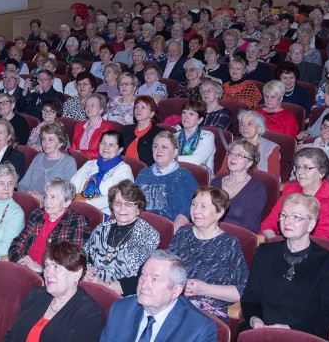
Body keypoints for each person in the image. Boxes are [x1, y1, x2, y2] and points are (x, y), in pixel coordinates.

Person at [240, 193, 329, 338]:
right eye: (283, 215)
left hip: (304, 333)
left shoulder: (325, 261)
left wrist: (289, 330)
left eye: (296, 217)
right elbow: (250, 297)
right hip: (262, 329)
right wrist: (255, 319)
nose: (287, 222)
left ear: (311, 224)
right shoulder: (265, 252)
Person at [98, 250, 217, 342]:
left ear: (175, 291)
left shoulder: (199, 329)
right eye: (143, 275)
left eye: (154, 279)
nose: (144, 285)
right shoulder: (121, 309)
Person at [168, 186, 249, 319]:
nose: (196, 211)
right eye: (194, 204)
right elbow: (165, 269)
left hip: (208, 311)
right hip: (174, 302)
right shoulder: (182, 234)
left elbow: (242, 291)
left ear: (219, 213)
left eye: (203, 207)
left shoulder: (229, 244)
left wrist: (204, 288)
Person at [4, 241, 106, 342]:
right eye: (47, 265)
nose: (48, 273)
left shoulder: (90, 314)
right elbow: (11, 335)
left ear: (77, 273)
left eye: (56, 266)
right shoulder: (35, 295)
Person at [260, 148, 329, 246]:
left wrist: (318, 252)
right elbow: (270, 222)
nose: (299, 172)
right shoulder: (290, 190)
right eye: (298, 167)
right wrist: (274, 243)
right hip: (289, 246)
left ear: (322, 172)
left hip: (320, 250)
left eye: (306, 168)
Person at [83, 180, 160, 296]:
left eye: (129, 204)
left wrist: (103, 284)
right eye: (117, 203)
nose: (122, 208)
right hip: (90, 286)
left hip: (122, 296)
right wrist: (86, 271)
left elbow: (140, 278)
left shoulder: (149, 235)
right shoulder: (101, 229)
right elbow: (84, 256)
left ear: (138, 209)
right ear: (112, 206)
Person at [9, 179, 90, 272]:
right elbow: (16, 243)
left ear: (66, 202)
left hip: (51, 277)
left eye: (53, 197)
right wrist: (21, 260)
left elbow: (72, 260)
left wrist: (43, 269)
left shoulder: (77, 221)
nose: (47, 201)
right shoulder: (37, 214)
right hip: (24, 269)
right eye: (46, 196)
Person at [134, 131, 197, 229]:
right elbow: (131, 201)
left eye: (164, 147)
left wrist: (173, 235)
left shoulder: (184, 176)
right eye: (155, 146)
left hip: (167, 229)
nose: (158, 150)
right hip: (139, 227)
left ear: (175, 152)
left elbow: (186, 211)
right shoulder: (144, 173)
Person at [70, 130, 134, 216]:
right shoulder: (90, 164)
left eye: (111, 145)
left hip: (104, 213)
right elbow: (72, 185)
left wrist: (86, 204)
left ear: (120, 150)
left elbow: (115, 197)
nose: (106, 147)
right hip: (79, 206)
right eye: (103, 143)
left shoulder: (123, 169)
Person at [210, 140, 268, 233]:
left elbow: (248, 226)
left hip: (238, 238)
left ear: (249, 163)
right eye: (232, 153)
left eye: (240, 155)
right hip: (210, 233)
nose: (233, 157)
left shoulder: (257, 190)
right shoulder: (215, 183)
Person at [19, 124, 78, 202]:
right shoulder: (38, 157)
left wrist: (44, 199)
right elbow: (22, 184)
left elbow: (67, 194)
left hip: (51, 206)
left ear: (60, 143)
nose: (46, 143)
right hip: (28, 200)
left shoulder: (68, 162)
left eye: (51, 139)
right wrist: (27, 195)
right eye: (44, 139)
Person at [174, 100, 215, 175]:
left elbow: (197, 160)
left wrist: (169, 158)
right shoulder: (174, 136)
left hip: (201, 180)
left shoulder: (207, 136)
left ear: (199, 120)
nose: (186, 116)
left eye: (191, 114)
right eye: (184, 112)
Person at [237, 111, 281, 180]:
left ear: (259, 128)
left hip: (261, 185)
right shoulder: (235, 146)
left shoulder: (271, 148)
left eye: (249, 124)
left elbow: (273, 177)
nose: (244, 127)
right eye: (242, 124)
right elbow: (223, 171)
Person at [70, 94, 112, 161]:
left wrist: (81, 153)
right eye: (87, 105)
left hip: (95, 162)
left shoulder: (107, 127)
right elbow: (73, 147)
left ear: (101, 110)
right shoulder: (79, 125)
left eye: (93, 105)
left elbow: (104, 152)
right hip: (77, 161)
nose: (88, 108)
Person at [121, 96, 159, 166]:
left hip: (145, 172)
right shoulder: (126, 129)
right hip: (123, 169)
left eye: (143, 107)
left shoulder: (158, 133)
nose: (138, 110)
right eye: (136, 107)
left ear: (152, 114)